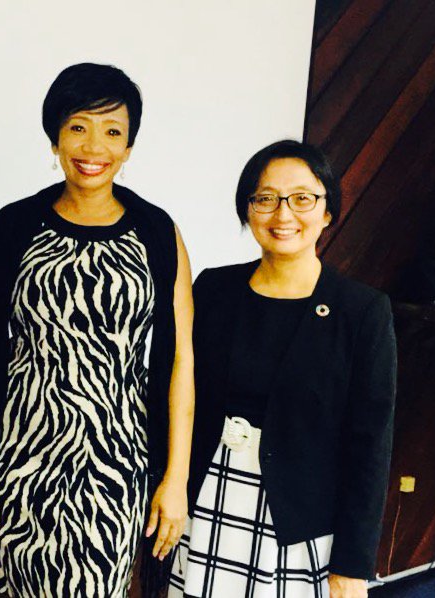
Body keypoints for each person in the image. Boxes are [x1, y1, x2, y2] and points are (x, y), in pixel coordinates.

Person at [0, 63, 195, 597]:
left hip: (115, 473)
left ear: (130, 147)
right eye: (78, 127)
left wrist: (174, 479)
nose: (94, 146)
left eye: (113, 131)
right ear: (55, 137)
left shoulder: (157, 233)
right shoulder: (12, 227)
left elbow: (182, 360)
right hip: (18, 464)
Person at [169, 140, 396, 598]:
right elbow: (179, 392)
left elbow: (371, 445)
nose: (283, 215)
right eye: (266, 198)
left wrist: (354, 564)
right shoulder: (214, 289)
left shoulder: (362, 310)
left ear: (327, 211)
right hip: (211, 497)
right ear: (248, 209)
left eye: (302, 198)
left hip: (299, 516)